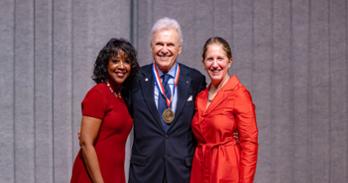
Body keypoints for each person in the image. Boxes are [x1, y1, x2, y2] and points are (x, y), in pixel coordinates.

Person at [127, 17, 206, 183]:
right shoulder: (135, 79)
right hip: (145, 172)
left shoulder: (195, 79)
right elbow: (120, 114)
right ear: (151, 47)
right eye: (159, 44)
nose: (164, 50)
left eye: (170, 45)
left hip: (182, 172)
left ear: (179, 49)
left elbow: (206, 118)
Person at [190, 37, 258, 183]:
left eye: (220, 58)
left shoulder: (239, 94)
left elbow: (249, 144)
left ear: (229, 62)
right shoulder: (201, 96)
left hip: (226, 171)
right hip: (200, 168)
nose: (215, 64)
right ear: (203, 63)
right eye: (210, 59)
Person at [70, 38, 140, 183]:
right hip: (93, 175)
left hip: (115, 173)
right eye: (115, 61)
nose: (121, 66)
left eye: (126, 61)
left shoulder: (122, 97)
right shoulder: (98, 94)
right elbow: (86, 143)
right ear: (106, 65)